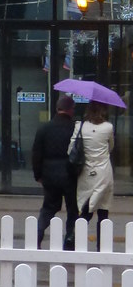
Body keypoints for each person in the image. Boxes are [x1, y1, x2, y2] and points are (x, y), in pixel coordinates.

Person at [31, 94, 79, 249]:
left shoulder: (44, 128)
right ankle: (70, 240)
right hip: (70, 175)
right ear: (71, 110)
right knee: (73, 209)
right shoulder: (75, 129)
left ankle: (38, 233)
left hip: (49, 174)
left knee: (49, 207)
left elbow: (36, 153)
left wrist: (38, 174)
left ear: (58, 108)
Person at [70, 99, 115, 251]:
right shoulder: (108, 127)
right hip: (104, 172)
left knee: (86, 206)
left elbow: (71, 149)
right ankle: (101, 247)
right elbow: (111, 147)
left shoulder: (80, 126)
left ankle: (76, 239)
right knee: (103, 211)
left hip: (86, 172)